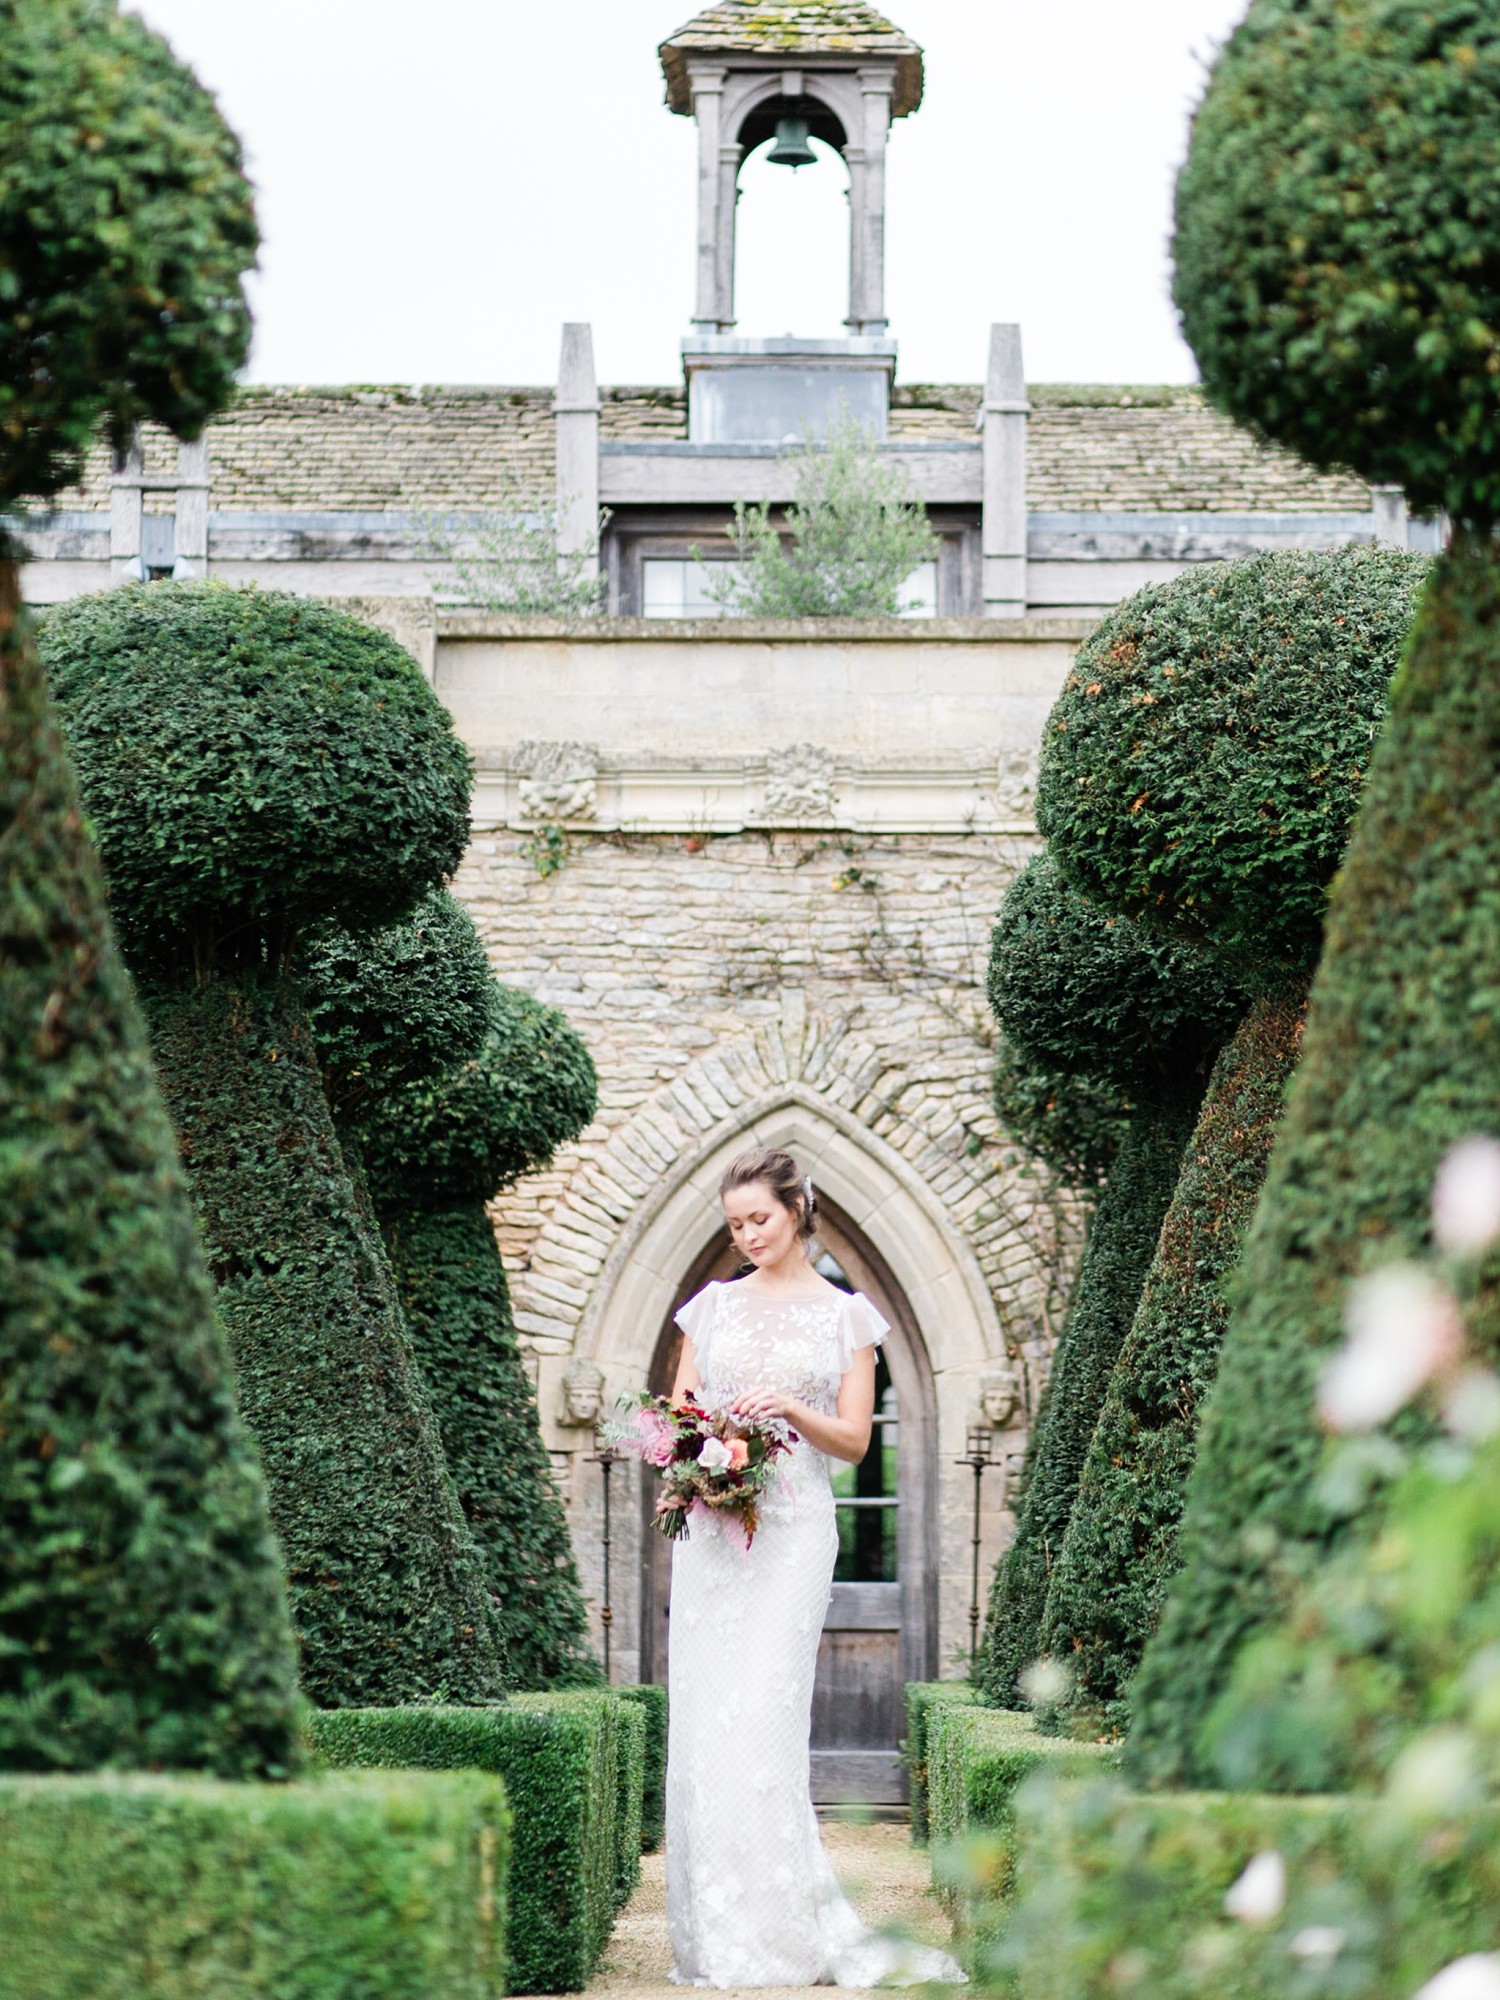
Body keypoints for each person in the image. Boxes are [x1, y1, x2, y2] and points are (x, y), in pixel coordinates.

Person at [665, 1146, 966, 1989]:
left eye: (758, 1217)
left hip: (793, 1531)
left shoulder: (848, 1318)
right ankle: (718, 1931)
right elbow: (679, 1415)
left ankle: (786, 1934)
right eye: (734, 1224)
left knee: (762, 1720)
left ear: (798, 1208)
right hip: (716, 1534)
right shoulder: (711, 1309)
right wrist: (704, 1451)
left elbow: (855, 1441)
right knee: (706, 1727)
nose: (746, 1234)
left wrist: (791, 1409)